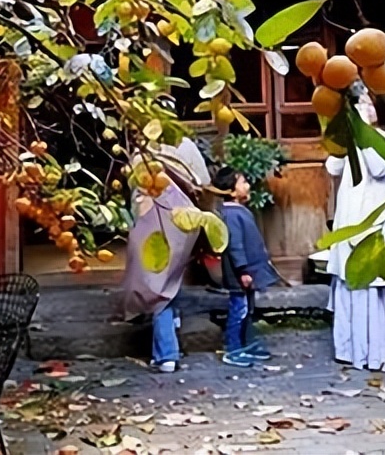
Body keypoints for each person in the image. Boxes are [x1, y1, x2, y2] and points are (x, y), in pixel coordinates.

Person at [325, 90, 385, 373]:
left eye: (367, 103)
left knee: (383, 291)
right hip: (351, 228)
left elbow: (379, 167)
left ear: (381, 108)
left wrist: (362, 130)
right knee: (353, 286)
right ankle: (352, 350)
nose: (361, 109)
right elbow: (332, 166)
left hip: (381, 230)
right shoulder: (358, 141)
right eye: (358, 104)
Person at [119, 136, 210, 373]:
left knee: (157, 284)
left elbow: (131, 186)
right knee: (171, 272)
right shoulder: (185, 144)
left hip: (150, 215)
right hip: (184, 216)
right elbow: (204, 180)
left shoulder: (140, 149)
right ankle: (173, 322)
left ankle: (167, 354)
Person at [214, 166, 281, 368]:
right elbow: (236, 246)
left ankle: (247, 344)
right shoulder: (231, 215)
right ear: (231, 191)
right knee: (239, 310)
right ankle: (233, 349)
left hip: (248, 272)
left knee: (248, 309)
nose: (248, 185)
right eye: (243, 182)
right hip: (240, 274)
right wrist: (243, 270)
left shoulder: (239, 212)